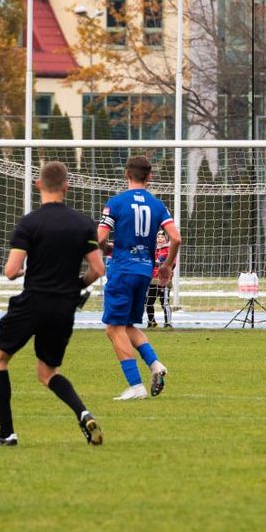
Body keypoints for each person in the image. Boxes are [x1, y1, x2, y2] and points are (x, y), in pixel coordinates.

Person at [0, 161, 106, 447]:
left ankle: (6, 433)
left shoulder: (29, 223)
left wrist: (31, 270)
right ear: (66, 186)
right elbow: (98, 270)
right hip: (64, 307)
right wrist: (75, 285)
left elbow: (11, 271)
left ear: (38, 185)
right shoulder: (83, 224)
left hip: (33, 303)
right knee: (47, 372)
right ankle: (83, 412)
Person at [99, 155, 181, 400]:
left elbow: (100, 238)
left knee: (113, 329)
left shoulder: (116, 203)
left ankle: (135, 386)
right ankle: (155, 365)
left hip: (122, 270)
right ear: (150, 177)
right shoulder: (158, 205)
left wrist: (108, 249)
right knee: (127, 326)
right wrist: (166, 266)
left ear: (126, 174)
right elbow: (175, 238)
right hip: (145, 270)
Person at [145, 230, 173, 329]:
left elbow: (172, 264)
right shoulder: (153, 250)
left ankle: (168, 323)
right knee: (148, 303)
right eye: (158, 237)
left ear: (167, 239)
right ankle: (151, 322)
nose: (160, 239)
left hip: (164, 281)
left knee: (164, 303)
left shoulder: (169, 250)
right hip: (153, 280)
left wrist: (160, 264)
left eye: (162, 237)